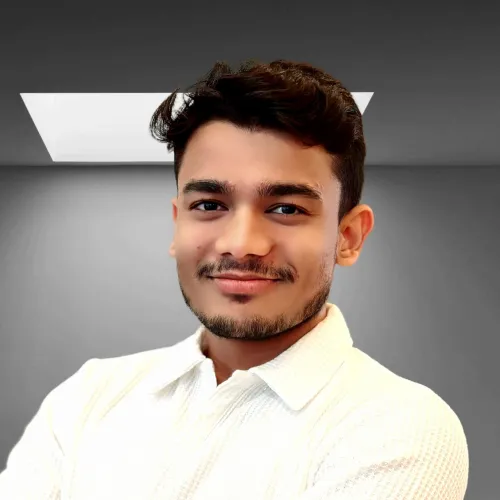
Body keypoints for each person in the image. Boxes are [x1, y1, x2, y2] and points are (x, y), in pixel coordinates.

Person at [0, 59, 469, 499]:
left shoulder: (402, 424)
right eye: (209, 205)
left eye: (286, 208)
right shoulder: (88, 395)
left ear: (348, 237)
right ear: (178, 224)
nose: (242, 244)